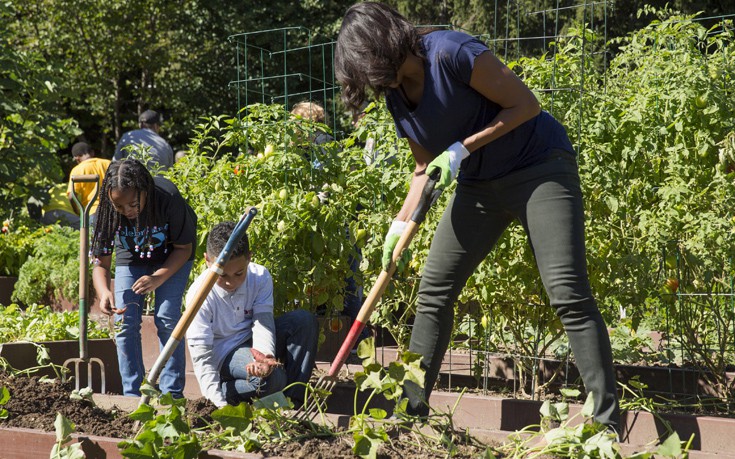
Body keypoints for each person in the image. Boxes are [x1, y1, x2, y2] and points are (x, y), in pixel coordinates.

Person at [334, 2, 620, 430]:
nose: (372, 84)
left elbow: (526, 105)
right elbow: (422, 169)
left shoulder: (451, 52)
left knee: (567, 292)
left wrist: (463, 147)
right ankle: (411, 417)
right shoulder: (396, 95)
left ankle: (604, 421)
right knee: (433, 292)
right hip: (479, 186)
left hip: (538, 168)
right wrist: (399, 222)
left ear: (384, 47)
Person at [90, 159, 197, 398]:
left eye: (133, 204)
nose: (127, 211)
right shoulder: (106, 212)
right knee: (124, 320)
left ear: (145, 189)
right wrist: (104, 291)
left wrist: (158, 278)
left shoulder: (167, 197)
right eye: (119, 207)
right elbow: (101, 263)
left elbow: (184, 248)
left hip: (174, 254)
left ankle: (172, 394)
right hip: (133, 256)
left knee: (167, 317)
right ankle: (133, 395)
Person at [186, 221, 319, 407]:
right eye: (222, 275)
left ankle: (293, 401)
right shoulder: (198, 295)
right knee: (273, 379)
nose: (230, 282)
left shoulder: (260, 276)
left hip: (252, 342)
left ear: (249, 258)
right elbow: (202, 356)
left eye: (239, 273)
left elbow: (263, 322)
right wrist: (217, 404)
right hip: (225, 352)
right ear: (208, 260)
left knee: (304, 321)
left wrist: (265, 357)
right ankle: (227, 391)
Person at [67, 142, 110, 227]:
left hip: (92, 212)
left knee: (93, 239)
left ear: (77, 158)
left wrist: (77, 211)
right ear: (92, 153)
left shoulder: (77, 170)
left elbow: (72, 196)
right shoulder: (108, 163)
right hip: (112, 210)